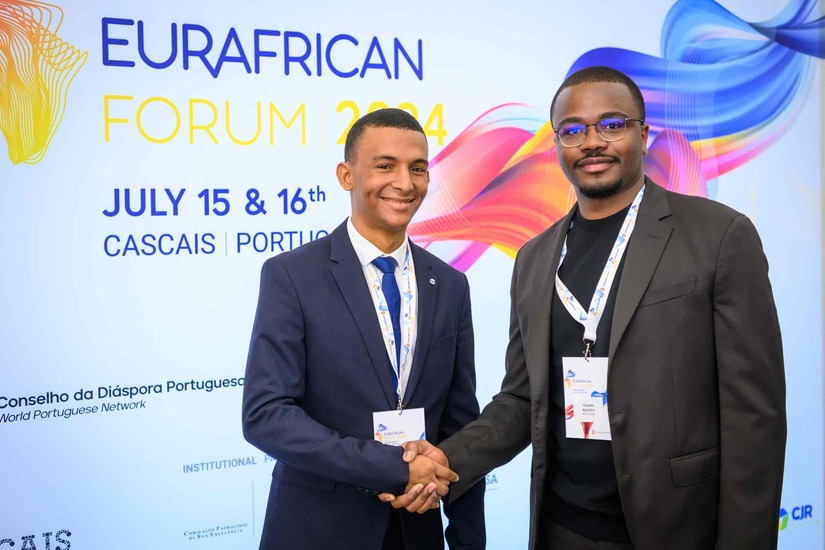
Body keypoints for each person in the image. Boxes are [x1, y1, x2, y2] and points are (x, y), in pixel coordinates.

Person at [384, 66, 786, 550]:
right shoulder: (535, 259)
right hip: (561, 528)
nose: (592, 142)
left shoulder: (717, 235)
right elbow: (521, 400)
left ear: (643, 134)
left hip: (674, 527)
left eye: (611, 125)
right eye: (573, 130)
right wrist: (446, 460)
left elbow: (754, 418)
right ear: (556, 144)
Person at [242, 108, 485, 550]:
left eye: (417, 168)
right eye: (385, 166)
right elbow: (267, 415)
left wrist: (468, 540)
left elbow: (460, 423)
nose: (405, 183)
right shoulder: (292, 276)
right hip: (318, 532)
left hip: (417, 532)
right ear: (346, 175)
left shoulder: (450, 285)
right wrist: (392, 468)